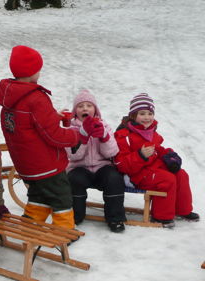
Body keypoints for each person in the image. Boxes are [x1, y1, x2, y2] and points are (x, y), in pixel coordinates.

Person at [0, 45, 80, 229]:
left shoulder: (9, 99)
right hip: (46, 165)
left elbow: (25, 126)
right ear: (32, 72)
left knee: (38, 196)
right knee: (61, 197)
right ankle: (64, 233)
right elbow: (54, 136)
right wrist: (74, 136)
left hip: (27, 166)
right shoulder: (36, 98)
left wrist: (53, 116)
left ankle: (30, 225)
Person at [114, 93, 199, 228]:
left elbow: (158, 149)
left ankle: (182, 210)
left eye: (149, 113)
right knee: (167, 179)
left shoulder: (152, 132)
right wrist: (140, 156)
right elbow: (121, 165)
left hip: (152, 169)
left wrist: (169, 155)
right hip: (134, 175)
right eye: (142, 113)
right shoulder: (124, 136)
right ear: (133, 115)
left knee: (181, 174)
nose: (147, 117)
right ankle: (161, 216)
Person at [65, 90, 127, 233]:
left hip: (102, 167)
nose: (85, 108)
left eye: (89, 105)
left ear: (95, 110)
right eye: (80, 106)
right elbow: (74, 156)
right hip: (80, 167)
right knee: (74, 179)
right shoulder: (71, 129)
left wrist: (104, 137)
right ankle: (75, 216)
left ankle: (115, 218)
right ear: (75, 111)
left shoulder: (104, 126)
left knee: (114, 179)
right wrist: (83, 137)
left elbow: (112, 152)